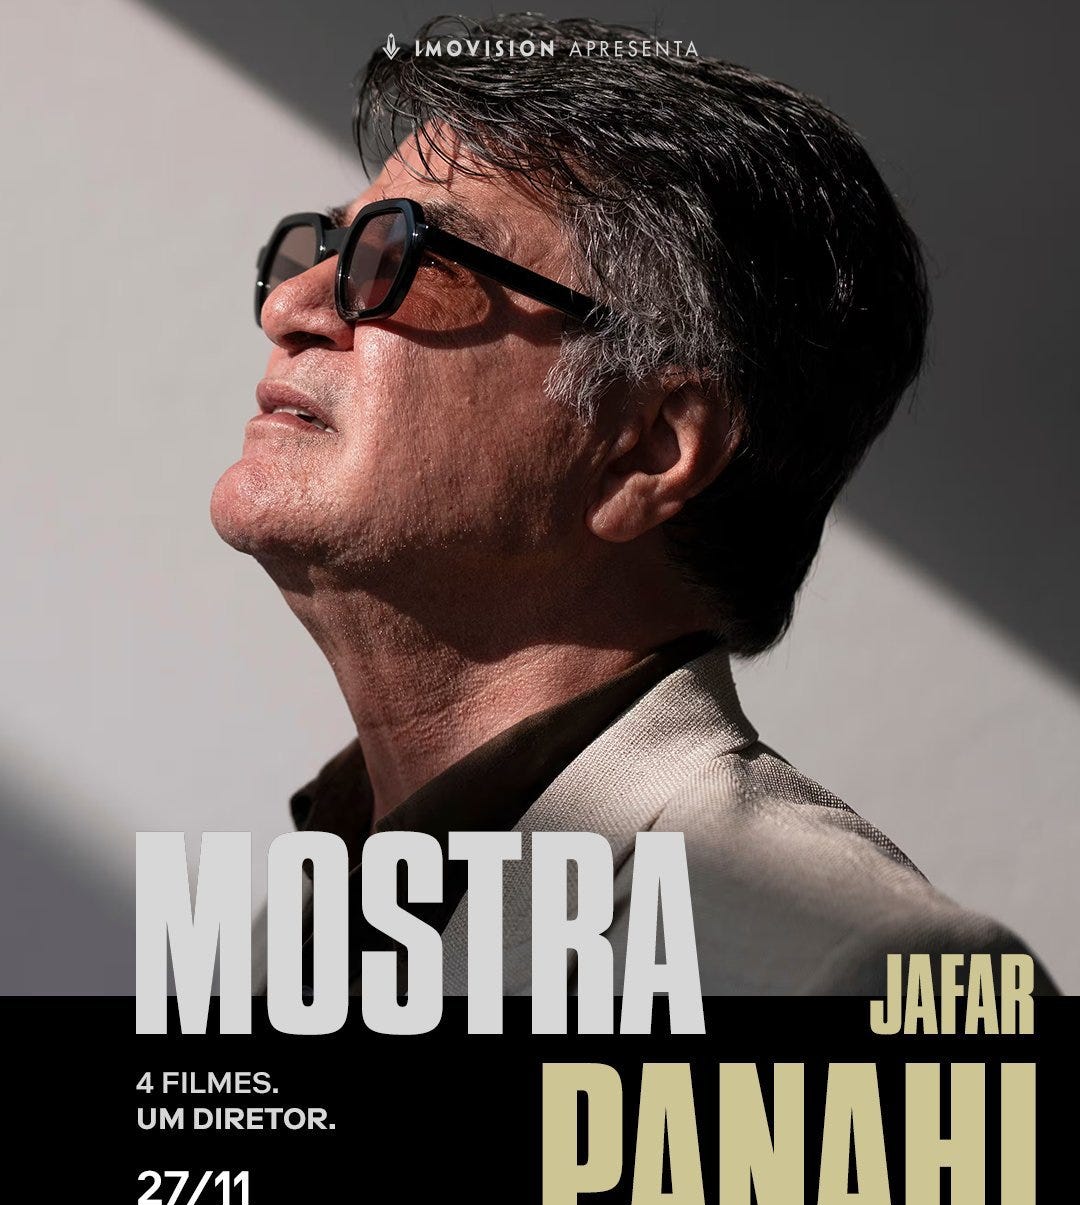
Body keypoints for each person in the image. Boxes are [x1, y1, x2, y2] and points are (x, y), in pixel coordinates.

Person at [211, 14, 1057, 995]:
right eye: (326, 245)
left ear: (649, 446)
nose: (290, 308)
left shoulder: (855, 968)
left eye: (409, 257)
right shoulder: (294, 931)